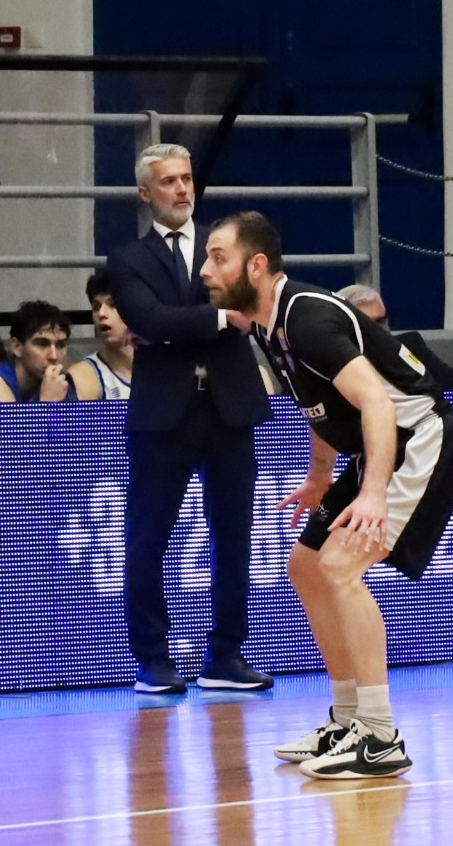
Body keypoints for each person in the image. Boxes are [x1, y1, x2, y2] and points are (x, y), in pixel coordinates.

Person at [199, 210, 453, 779]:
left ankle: (379, 734)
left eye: (218, 257)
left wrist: (372, 493)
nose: (205, 270)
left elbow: (376, 402)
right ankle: (347, 719)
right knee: (305, 565)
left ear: (256, 265)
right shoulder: (267, 325)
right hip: (376, 448)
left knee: (341, 566)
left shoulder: (308, 319)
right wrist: (321, 475)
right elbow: (319, 406)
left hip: (418, 440)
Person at [107, 144, 273, 695]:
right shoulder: (127, 259)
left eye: (186, 178)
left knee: (234, 538)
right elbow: (148, 317)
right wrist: (220, 318)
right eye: (168, 181)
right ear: (145, 193)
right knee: (147, 539)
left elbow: (240, 306)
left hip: (229, 408)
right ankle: (153, 660)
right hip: (164, 415)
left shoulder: (224, 245)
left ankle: (225, 655)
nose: (181, 188)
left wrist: (173, 327)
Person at [336, 284, 453, 390]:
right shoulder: (335, 360)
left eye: (381, 321)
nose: (379, 330)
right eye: (369, 324)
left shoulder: (409, 347)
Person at [0, 300, 77, 403]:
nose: (54, 356)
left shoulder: (61, 382)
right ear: (17, 347)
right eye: (42, 344)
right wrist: (48, 403)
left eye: (60, 345)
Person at [68, 270, 133, 401]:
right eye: (96, 307)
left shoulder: (166, 367)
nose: (101, 314)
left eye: (113, 305)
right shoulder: (82, 377)